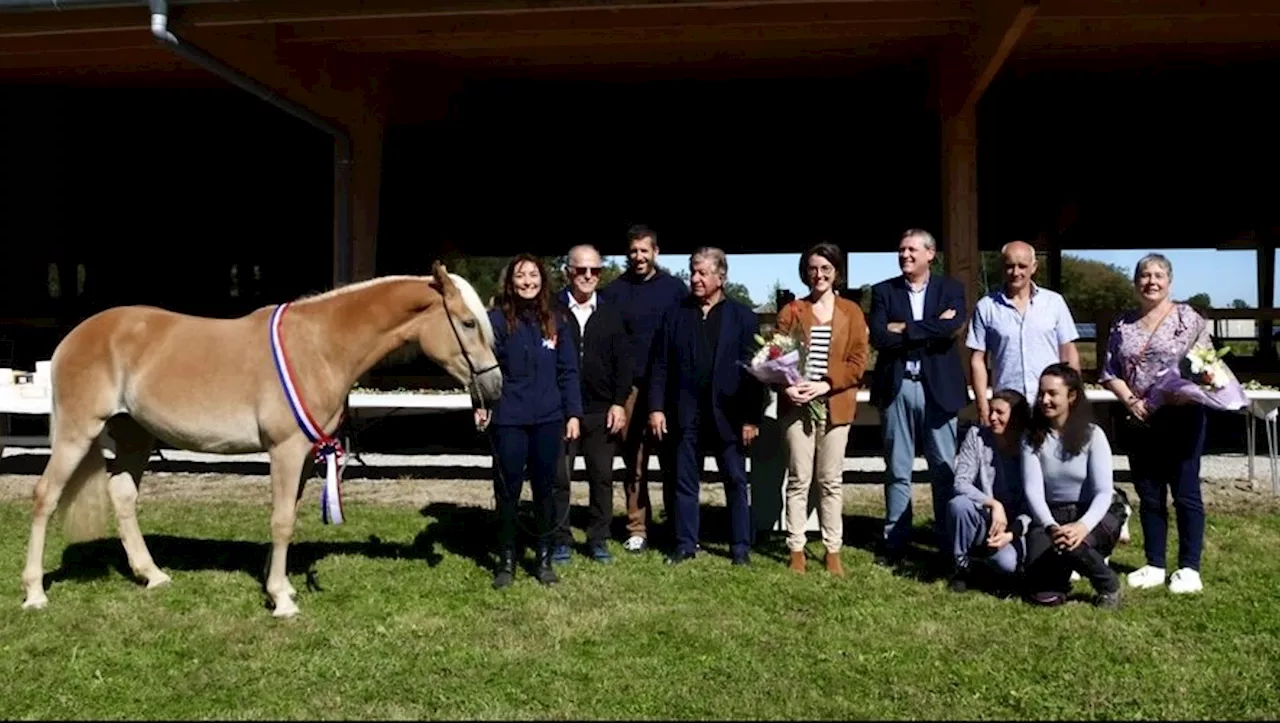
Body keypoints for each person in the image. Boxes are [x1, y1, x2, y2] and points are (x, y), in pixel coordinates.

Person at [1099, 253, 1212, 595]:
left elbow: (1207, 365)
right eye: (1145, 275)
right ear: (1136, 283)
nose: (1151, 281)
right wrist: (1131, 401)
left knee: (1186, 494)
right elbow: (1109, 372)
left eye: (1158, 275)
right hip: (1140, 418)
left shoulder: (1188, 318)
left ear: (1170, 281)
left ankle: (1189, 567)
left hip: (1183, 415)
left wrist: (1190, 390)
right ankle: (1154, 563)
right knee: (1149, 496)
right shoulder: (1123, 324)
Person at [648, 247, 763, 566]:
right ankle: (686, 544)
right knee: (684, 482)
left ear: (721, 277)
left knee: (736, 482)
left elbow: (755, 373)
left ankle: (740, 547)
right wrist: (656, 407)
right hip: (686, 414)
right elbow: (660, 364)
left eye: (702, 273)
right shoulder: (675, 314)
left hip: (730, 415)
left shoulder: (743, 317)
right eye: (693, 272)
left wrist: (752, 418)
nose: (695, 279)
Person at [475, 254, 582, 589]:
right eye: (521, 276)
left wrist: (574, 414)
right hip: (508, 418)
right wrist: (479, 404)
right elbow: (480, 368)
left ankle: (544, 558)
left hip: (549, 418)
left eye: (533, 275)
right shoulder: (494, 321)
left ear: (543, 280)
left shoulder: (558, 319)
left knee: (545, 491)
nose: (527, 282)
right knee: (508, 491)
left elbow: (568, 371)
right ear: (510, 282)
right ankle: (506, 560)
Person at [867, 228, 968, 563]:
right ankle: (895, 541)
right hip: (898, 387)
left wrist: (905, 327)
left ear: (930, 253)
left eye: (911, 249)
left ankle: (946, 541)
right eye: (901, 250)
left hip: (938, 388)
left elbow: (951, 329)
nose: (905, 255)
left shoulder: (951, 289)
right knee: (897, 468)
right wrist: (929, 327)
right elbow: (880, 338)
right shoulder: (883, 291)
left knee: (943, 468)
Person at [773, 242, 870, 576]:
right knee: (799, 479)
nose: (819, 275)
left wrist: (826, 384)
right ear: (805, 272)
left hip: (836, 406)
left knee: (830, 480)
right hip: (797, 407)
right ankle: (796, 548)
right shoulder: (792, 311)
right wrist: (788, 386)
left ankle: (833, 550)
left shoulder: (852, 313)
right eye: (813, 269)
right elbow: (775, 357)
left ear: (836, 272)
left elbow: (858, 362)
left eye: (826, 268)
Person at [599, 224, 688, 554]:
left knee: (672, 461)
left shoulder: (676, 290)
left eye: (644, 250)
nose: (638, 257)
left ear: (656, 252)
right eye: (633, 251)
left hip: (666, 389)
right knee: (634, 464)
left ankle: (676, 525)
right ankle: (637, 527)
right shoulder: (613, 292)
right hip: (630, 389)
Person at [550, 244, 634, 565]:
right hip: (561, 409)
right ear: (568, 271)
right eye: (581, 270)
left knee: (602, 477)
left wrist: (618, 404)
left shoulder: (612, 311)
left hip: (602, 410)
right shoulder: (551, 309)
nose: (588, 276)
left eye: (595, 270)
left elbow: (624, 363)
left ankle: (598, 539)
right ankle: (560, 539)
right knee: (560, 477)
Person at [1021, 363, 1124, 609]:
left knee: (1074, 543)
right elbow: (1033, 491)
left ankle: (1108, 584)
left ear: (1072, 396)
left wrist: (1081, 526)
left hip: (1092, 514)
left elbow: (1103, 492)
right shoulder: (1031, 437)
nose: (1044, 400)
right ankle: (1063, 570)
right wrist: (1051, 526)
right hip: (1051, 516)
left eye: (1052, 394)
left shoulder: (1094, 435)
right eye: (1041, 393)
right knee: (1044, 596)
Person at [967, 240, 1081, 420]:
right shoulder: (986, 307)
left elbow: (1068, 352)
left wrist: (1075, 399)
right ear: (1002, 267)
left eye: (1022, 266)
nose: (1016, 272)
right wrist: (983, 408)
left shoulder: (1054, 303)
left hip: (1049, 403)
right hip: (1007, 407)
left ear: (1034, 267)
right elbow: (977, 360)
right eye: (1010, 266)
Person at [946, 389, 1032, 593]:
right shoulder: (976, 436)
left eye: (1000, 413)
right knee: (959, 505)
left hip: (1016, 528)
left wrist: (1012, 533)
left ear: (1015, 418)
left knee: (1007, 565)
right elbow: (960, 483)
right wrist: (993, 504)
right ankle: (961, 566)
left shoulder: (1029, 446)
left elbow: (1034, 503)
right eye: (991, 411)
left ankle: (989, 564)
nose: (992, 417)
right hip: (984, 518)